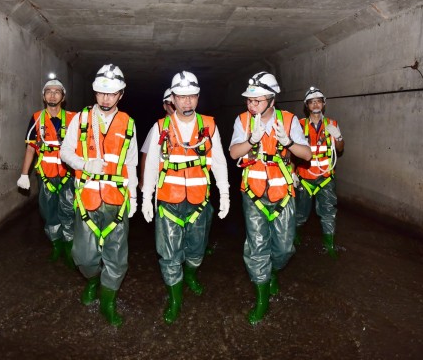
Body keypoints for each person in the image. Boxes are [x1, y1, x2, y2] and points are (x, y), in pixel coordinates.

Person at [142, 71, 230, 324]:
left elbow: (219, 162)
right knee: (169, 255)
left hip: (200, 201)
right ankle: (175, 299)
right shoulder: (161, 127)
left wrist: (224, 193)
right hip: (169, 201)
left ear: (198, 97)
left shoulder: (209, 126)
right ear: (173, 99)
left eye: (191, 96)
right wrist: (146, 198)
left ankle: (191, 273)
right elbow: (150, 166)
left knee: (196, 250)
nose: (187, 102)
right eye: (181, 97)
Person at [229, 71, 311, 325]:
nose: (252, 105)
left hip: (283, 192)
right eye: (249, 100)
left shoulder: (288, 120)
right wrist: (251, 140)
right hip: (252, 193)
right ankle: (262, 295)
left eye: (258, 100)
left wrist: (288, 143)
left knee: (285, 247)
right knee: (257, 246)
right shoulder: (242, 120)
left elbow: (306, 155)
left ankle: (273, 271)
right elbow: (234, 153)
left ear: (272, 100)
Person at [60, 64, 138, 327]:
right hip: (88, 198)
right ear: (95, 93)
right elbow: (65, 152)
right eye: (102, 93)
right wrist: (84, 164)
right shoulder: (81, 119)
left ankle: (108, 302)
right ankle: (93, 279)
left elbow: (131, 162)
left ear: (121, 94)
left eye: (112, 93)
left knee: (117, 256)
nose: (106, 98)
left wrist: (135, 197)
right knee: (84, 256)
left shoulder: (128, 123)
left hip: (117, 199)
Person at [17, 76, 77, 268]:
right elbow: (31, 148)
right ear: (44, 96)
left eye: (57, 91)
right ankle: (56, 246)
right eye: (49, 91)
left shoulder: (74, 119)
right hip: (46, 175)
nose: (53, 95)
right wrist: (24, 174)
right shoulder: (36, 119)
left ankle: (69, 249)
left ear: (63, 96)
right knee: (48, 212)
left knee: (68, 211)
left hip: (68, 174)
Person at [294, 87, 345, 259]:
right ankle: (295, 236)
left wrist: (337, 137)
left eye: (318, 101)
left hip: (325, 178)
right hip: (305, 178)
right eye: (312, 101)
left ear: (323, 104)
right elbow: (291, 151)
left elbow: (340, 149)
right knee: (300, 214)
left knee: (328, 213)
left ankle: (329, 245)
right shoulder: (299, 125)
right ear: (307, 105)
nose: (315, 104)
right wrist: (292, 173)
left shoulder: (332, 124)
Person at [138, 88, 175, 191]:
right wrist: (143, 180)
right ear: (164, 106)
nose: (174, 106)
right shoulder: (158, 127)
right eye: (170, 103)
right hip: (163, 182)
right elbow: (146, 154)